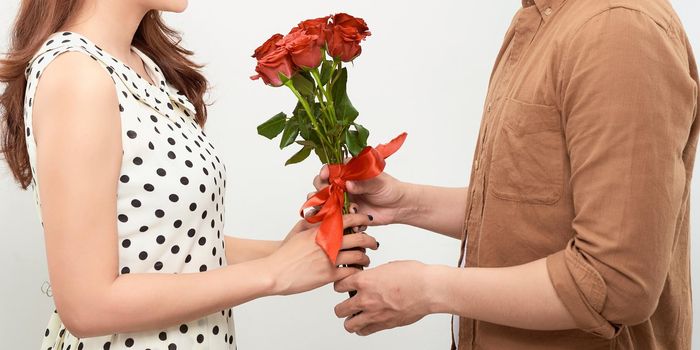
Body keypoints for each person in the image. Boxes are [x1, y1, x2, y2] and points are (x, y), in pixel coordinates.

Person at [313, 0, 699, 349]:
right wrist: (405, 203)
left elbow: (615, 283)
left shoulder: (618, 31)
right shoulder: (545, 19)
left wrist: (429, 289)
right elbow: (538, 211)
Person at [0, 1, 379, 349]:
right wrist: (273, 273)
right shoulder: (77, 74)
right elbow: (86, 306)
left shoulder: (140, 66)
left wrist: (291, 252)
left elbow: (166, 244)